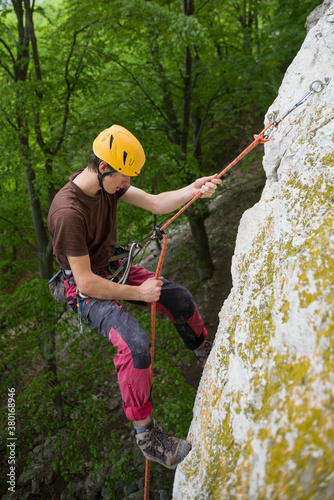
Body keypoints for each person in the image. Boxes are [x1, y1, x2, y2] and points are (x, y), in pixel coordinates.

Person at [48, 124, 221, 469]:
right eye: (122, 179)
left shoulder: (108, 185)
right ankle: (148, 436)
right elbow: (85, 283)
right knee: (135, 344)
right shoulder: (67, 212)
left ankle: (206, 354)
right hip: (85, 285)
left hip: (110, 268)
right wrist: (139, 292)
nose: (125, 185)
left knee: (180, 299)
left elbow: (155, 203)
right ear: (102, 167)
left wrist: (193, 189)